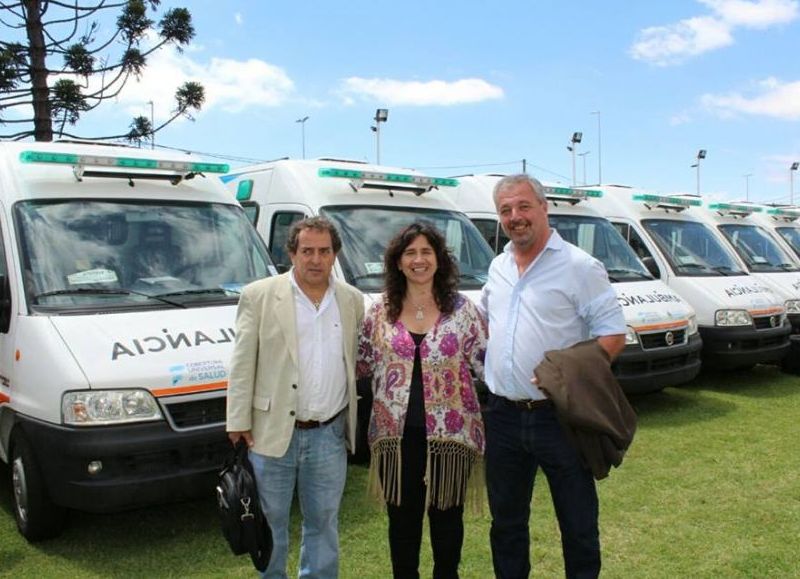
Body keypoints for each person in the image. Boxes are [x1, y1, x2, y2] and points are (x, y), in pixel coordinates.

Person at [478, 175, 626, 579]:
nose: (515, 217)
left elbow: (613, 334)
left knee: (577, 525)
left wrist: (571, 382)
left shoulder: (580, 266)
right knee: (506, 525)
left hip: (558, 418)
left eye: (524, 206)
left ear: (544, 208)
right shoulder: (498, 266)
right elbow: (489, 323)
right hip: (503, 416)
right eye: (505, 210)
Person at [226, 216, 364, 579]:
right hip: (270, 433)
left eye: (324, 251)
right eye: (307, 251)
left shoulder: (351, 301)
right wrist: (237, 420)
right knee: (270, 524)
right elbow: (242, 362)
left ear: (335, 254)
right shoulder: (258, 295)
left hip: (328, 434)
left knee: (324, 523)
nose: (315, 259)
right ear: (291, 252)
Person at [357, 222, 487, 579]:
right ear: (398, 262)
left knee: (447, 522)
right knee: (402, 523)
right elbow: (360, 364)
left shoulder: (463, 311)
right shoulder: (378, 312)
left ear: (438, 259)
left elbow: (486, 363)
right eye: (410, 253)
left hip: (451, 437)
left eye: (426, 252)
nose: (418, 260)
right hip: (395, 438)